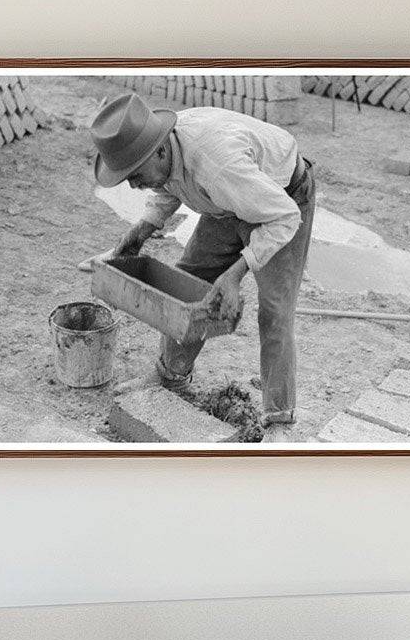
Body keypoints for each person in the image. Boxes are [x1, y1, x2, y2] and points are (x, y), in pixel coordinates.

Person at [90, 91, 316, 443]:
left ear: (160, 151)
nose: (134, 185)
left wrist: (235, 274)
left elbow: (284, 217)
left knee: (274, 311)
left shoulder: (217, 164)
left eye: (135, 175)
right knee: (188, 281)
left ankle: (280, 420)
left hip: (282, 200)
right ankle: (171, 375)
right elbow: (168, 184)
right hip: (226, 202)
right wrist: (141, 230)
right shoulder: (165, 148)